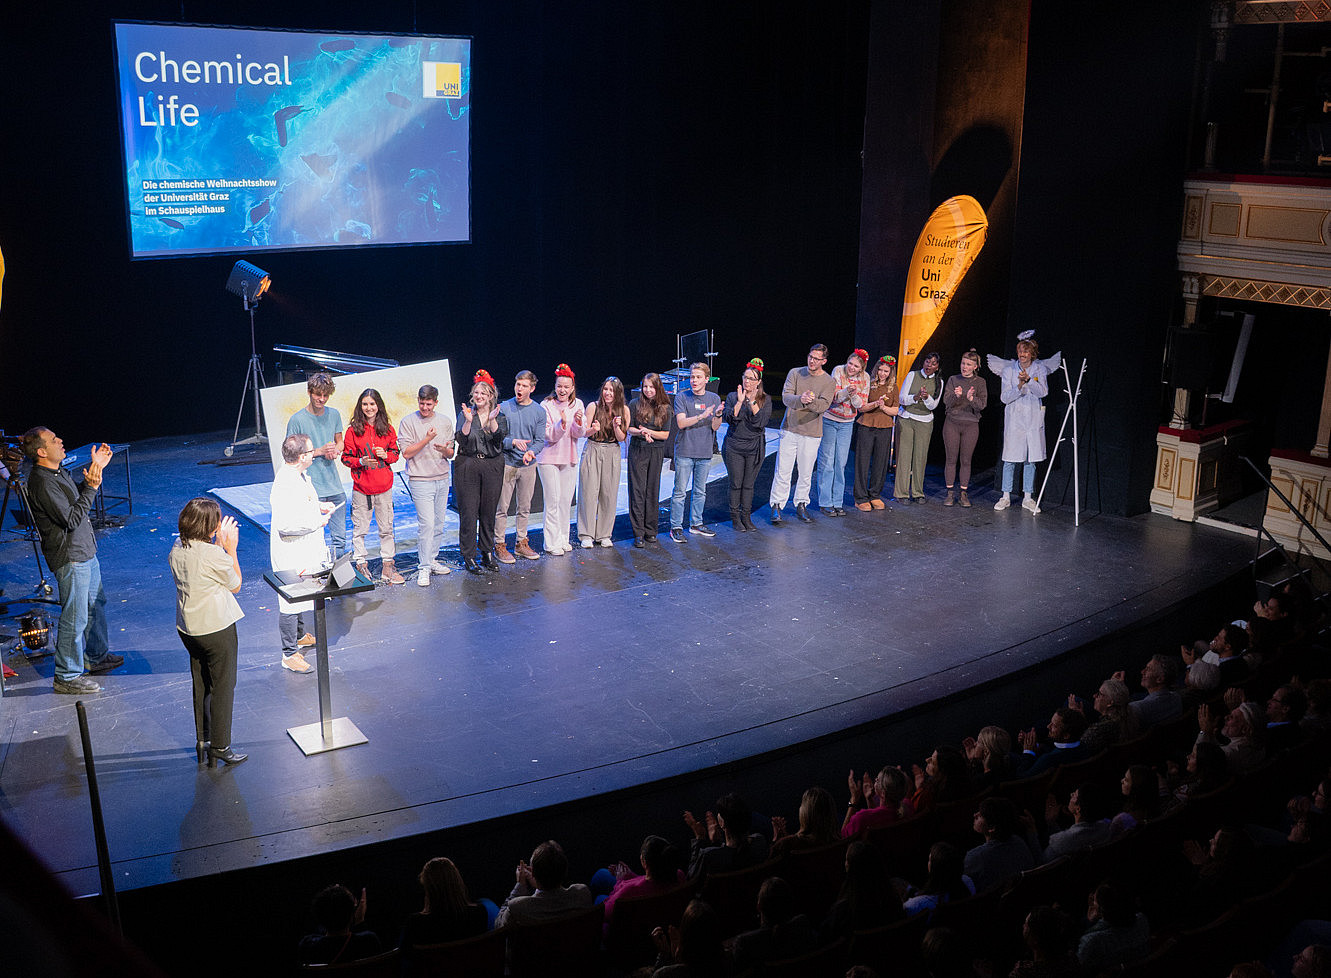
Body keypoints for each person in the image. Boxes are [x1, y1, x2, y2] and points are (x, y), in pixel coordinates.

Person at [21, 427, 122, 694]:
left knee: (94, 605)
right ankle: (66, 676)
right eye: (55, 440)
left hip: (84, 550)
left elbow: (73, 502)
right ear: (42, 451)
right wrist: (91, 487)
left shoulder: (57, 472)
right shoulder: (42, 482)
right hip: (70, 556)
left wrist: (94, 471)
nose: (61, 441)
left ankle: (96, 656)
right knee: (75, 616)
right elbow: (72, 519)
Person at [167, 497, 246, 768]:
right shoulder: (215, 555)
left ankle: (203, 740)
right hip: (215, 629)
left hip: (188, 628)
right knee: (223, 686)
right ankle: (221, 746)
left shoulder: (177, 546)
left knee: (201, 684)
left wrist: (217, 546)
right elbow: (235, 584)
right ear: (210, 527)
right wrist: (230, 549)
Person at [270, 434, 333, 674]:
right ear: (303, 457)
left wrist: (318, 507)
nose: (314, 453)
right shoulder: (285, 483)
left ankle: (298, 636)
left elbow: (303, 504)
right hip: (290, 552)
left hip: (304, 550)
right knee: (290, 599)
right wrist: (318, 521)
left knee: (301, 593)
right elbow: (287, 525)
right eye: (310, 451)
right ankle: (288, 654)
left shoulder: (300, 476)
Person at [341, 388, 404, 584]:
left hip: (384, 487)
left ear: (378, 406)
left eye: (372, 404)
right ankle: (361, 565)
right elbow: (346, 457)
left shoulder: (388, 429)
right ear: (361, 406)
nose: (369, 408)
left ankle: (388, 567)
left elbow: (395, 453)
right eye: (365, 404)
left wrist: (386, 456)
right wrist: (361, 462)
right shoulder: (353, 431)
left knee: (386, 528)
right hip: (362, 489)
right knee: (360, 529)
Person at [769, 344, 835, 523]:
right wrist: (800, 399)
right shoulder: (795, 373)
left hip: (812, 433)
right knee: (783, 470)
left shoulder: (829, 381)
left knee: (805, 472)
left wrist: (809, 401)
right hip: (790, 428)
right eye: (810, 356)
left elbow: (823, 406)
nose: (812, 361)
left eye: (816, 358)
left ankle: (801, 504)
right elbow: (786, 397)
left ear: (824, 361)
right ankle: (777, 505)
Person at [398, 384, 455, 586]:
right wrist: (427, 439)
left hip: (441, 477)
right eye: (422, 403)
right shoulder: (408, 422)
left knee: (439, 523)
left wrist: (443, 450)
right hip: (420, 480)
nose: (425, 408)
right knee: (427, 524)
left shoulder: (445, 422)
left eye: (429, 404)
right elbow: (406, 453)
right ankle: (423, 567)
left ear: (436, 402)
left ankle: (432, 560)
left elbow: (451, 453)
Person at [285, 372, 347, 557]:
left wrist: (335, 450)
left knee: (340, 537)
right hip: (310, 487)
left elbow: (340, 442)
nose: (322, 399)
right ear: (309, 392)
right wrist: (319, 451)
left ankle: (337, 578)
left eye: (326, 395)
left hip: (333, 484)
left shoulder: (334, 414)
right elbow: (289, 454)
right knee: (313, 536)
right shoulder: (297, 420)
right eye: (318, 394)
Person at [454, 370, 509, 574]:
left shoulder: (500, 416)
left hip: (492, 465)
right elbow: (461, 439)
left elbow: (498, 439)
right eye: (476, 393)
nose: (478, 396)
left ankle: (486, 552)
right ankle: (468, 556)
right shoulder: (466, 414)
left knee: (488, 511)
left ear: (491, 396)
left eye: (483, 394)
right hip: (468, 464)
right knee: (468, 512)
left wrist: (492, 420)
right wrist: (469, 420)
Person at [994, 331, 1051, 513]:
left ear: (1032, 353)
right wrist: (1019, 386)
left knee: (1030, 459)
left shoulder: (1039, 369)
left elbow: (1043, 392)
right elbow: (1004, 397)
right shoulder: (1009, 370)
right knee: (1010, 459)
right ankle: (1005, 496)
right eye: (1020, 351)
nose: (1022, 355)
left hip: (1032, 419)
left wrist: (1029, 381)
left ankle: (1027, 497)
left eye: (1026, 352)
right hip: (1015, 419)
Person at [495, 370, 546, 563]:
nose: (520, 388)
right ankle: (499, 544)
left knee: (525, 506)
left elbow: (540, 440)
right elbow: (497, 438)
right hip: (508, 463)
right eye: (518, 384)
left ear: (532, 388)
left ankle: (521, 543)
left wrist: (531, 452)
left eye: (524, 386)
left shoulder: (539, 411)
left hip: (528, 465)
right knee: (503, 507)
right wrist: (513, 442)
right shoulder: (505, 407)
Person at [535, 364, 587, 555]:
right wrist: (562, 423)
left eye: (566, 387)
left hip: (569, 457)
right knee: (553, 500)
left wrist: (579, 422)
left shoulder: (578, 404)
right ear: (555, 386)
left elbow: (579, 433)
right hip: (549, 458)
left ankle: (563, 538)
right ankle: (551, 542)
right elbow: (548, 435)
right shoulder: (546, 406)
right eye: (559, 386)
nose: (562, 390)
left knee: (565, 500)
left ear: (572, 388)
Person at [670, 363, 722, 543]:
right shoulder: (682, 397)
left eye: (698, 377)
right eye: (692, 377)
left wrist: (718, 415)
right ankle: (676, 527)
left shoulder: (713, 398)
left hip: (704, 451)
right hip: (685, 451)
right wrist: (702, 416)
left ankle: (696, 524)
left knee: (700, 491)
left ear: (707, 379)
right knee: (680, 492)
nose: (694, 380)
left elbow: (715, 427)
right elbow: (681, 423)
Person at [816, 349, 870, 516]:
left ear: (862, 368)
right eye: (850, 363)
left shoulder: (865, 378)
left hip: (847, 424)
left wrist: (853, 396)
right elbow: (834, 397)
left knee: (840, 463)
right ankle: (825, 502)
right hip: (830, 419)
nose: (852, 368)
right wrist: (847, 391)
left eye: (856, 366)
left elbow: (861, 404)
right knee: (827, 461)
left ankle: (837, 502)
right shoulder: (838, 370)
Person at [579, 376, 630, 548]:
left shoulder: (624, 410)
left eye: (611, 390)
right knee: (589, 492)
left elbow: (622, 438)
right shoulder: (593, 406)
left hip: (612, 451)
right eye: (606, 389)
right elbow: (583, 432)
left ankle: (604, 534)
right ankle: (586, 533)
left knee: (609, 493)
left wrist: (616, 427)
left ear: (618, 393)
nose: (608, 393)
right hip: (593, 448)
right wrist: (592, 429)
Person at [722, 359, 772, 532]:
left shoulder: (765, 400)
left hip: (754, 448)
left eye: (751, 379)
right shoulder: (732, 396)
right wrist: (739, 402)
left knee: (749, 484)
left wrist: (751, 401)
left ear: (758, 382)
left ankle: (746, 516)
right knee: (736, 483)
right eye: (745, 377)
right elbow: (729, 418)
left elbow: (760, 422)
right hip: (734, 446)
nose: (747, 381)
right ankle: (735, 517)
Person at [495, 840, 593, 927]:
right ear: (565, 870)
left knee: (486, 903)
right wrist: (539, 885)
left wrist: (520, 885)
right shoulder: (582, 893)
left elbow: (498, 924)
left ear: (533, 873)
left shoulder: (517, 908)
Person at [399, 857, 488, 950]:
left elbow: (403, 955)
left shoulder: (416, 924)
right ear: (457, 883)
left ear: (428, 890)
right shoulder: (479, 913)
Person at [627, 372, 672, 547]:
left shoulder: (666, 407)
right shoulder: (634, 404)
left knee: (652, 490)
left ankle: (650, 530)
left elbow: (665, 434)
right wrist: (640, 432)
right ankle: (638, 532)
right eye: (645, 386)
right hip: (638, 450)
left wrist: (649, 431)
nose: (648, 390)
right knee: (637, 491)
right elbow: (630, 428)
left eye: (651, 387)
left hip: (656, 451)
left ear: (657, 387)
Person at [684, 792, 770, 879]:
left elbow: (691, 881)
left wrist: (699, 838)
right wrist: (716, 843)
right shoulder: (759, 842)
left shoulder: (708, 856)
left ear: (722, 823)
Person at [894, 351, 943, 503]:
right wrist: (915, 397)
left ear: (937, 367)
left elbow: (933, 405)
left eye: (933, 363)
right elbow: (902, 398)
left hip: (925, 422)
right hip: (907, 419)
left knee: (920, 458)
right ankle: (901, 493)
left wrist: (927, 397)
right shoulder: (912, 375)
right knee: (904, 456)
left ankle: (917, 492)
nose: (929, 365)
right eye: (928, 362)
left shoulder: (939, 382)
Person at [853, 355, 900, 511]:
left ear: (890, 372)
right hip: (866, 425)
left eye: (886, 371)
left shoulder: (893, 387)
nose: (882, 373)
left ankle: (874, 495)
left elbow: (895, 410)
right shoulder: (868, 384)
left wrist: (883, 407)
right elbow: (861, 407)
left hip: (885, 426)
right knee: (863, 462)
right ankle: (860, 498)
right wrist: (875, 404)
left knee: (880, 463)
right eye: (880, 370)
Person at [941, 350, 987, 507]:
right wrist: (957, 396)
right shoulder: (953, 379)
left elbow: (982, 405)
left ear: (975, 366)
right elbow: (946, 401)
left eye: (968, 364)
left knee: (966, 460)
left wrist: (971, 398)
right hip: (952, 422)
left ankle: (963, 493)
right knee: (951, 459)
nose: (964, 367)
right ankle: (949, 493)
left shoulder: (980, 382)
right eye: (963, 363)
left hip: (970, 424)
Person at [297, 884, 380, 966]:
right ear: (352, 915)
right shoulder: (369, 942)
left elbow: (325, 940)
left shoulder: (307, 946)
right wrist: (359, 922)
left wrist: (332, 902)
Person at [771, 785, 840, 854]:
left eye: (801, 805)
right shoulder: (841, 846)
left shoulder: (787, 844)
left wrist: (776, 840)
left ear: (805, 813)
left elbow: (768, 863)